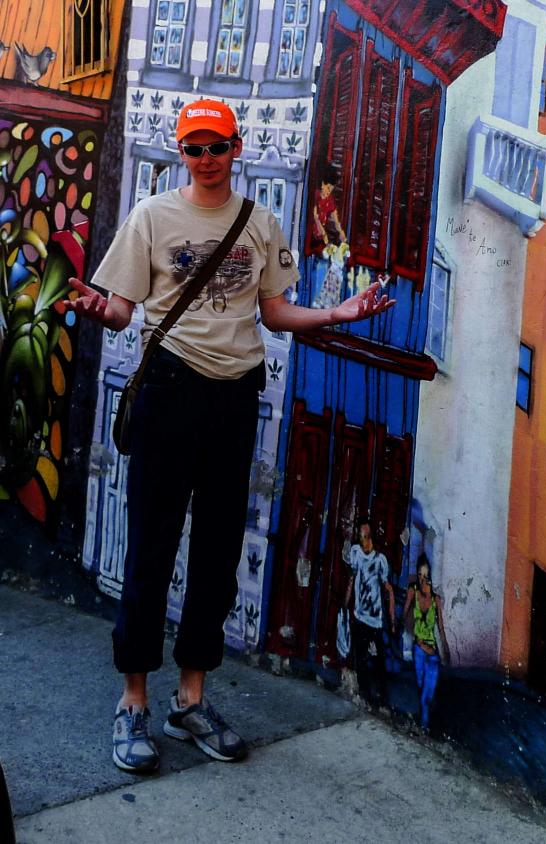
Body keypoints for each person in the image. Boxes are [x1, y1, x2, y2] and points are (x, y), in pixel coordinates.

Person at [59, 98, 394, 773]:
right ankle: (133, 702)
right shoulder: (152, 217)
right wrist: (99, 308)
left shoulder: (259, 223)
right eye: (195, 147)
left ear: (237, 148)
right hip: (169, 390)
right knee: (151, 545)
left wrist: (335, 314)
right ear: (180, 151)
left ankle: (191, 699)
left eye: (217, 146)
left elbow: (274, 313)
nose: (206, 158)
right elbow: (122, 312)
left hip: (235, 398)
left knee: (217, 550)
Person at [342, 519, 396, 709]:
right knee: (361, 659)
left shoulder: (380, 560)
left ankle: (382, 700)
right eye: (361, 536)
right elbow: (352, 578)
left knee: (378, 662)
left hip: (375, 619)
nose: (363, 540)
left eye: (366, 536)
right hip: (359, 616)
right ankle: (366, 697)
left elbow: (388, 589)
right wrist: (345, 603)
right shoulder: (355, 552)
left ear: (371, 537)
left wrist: (392, 619)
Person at [402, 556, 449, 734]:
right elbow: (405, 616)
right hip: (419, 650)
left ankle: (424, 729)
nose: (422, 579)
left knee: (427, 696)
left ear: (430, 577)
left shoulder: (436, 599)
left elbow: (441, 628)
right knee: (422, 689)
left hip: (432, 653)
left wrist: (445, 649)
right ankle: (424, 726)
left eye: (425, 576)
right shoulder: (412, 592)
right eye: (420, 575)